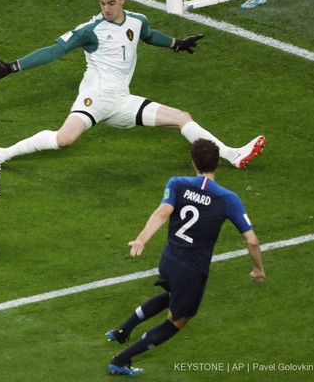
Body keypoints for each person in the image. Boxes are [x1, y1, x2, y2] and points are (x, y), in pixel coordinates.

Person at [0, 0, 265, 173]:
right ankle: (2, 154)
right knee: (64, 140)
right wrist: (12, 67)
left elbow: (149, 36)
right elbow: (54, 51)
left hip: (122, 101)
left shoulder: (138, 21)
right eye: (102, 4)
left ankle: (232, 154)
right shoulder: (90, 30)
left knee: (181, 118)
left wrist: (177, 43)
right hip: (96, 98)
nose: (106, 9)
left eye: (111, 3)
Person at [105, 139, 266, 376]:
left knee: (172, 295)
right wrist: (258, 270)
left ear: (193, 163)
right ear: (218, 163)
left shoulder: (177, 183)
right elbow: (252, 240)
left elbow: (162, 213)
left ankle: (122, 331)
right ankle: (121, 360)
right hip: (192, 270)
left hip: (169, 259)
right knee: (177, 321)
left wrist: (141, 239)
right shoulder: (228, 198)